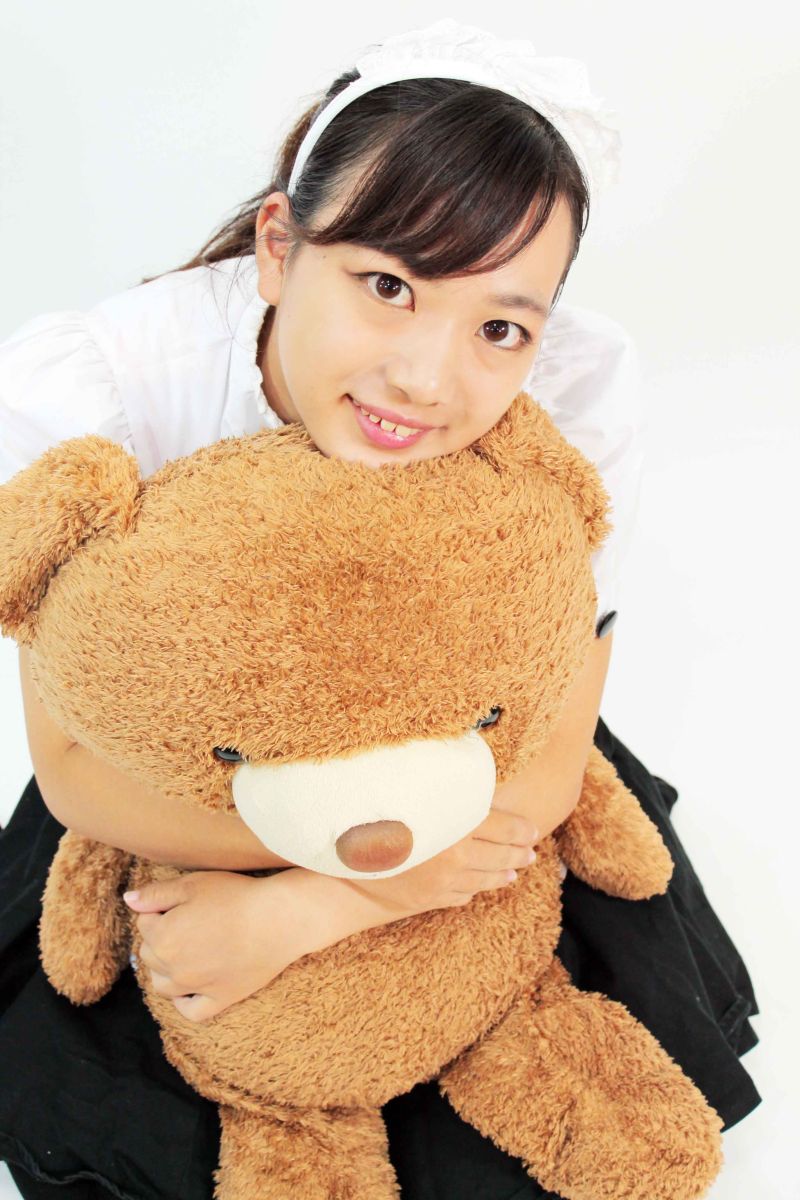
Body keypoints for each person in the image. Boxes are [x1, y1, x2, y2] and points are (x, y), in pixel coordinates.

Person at [0, 17, 760, 1200]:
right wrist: (359, 866)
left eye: (497, 325)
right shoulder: (115, 390)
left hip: (468, 780)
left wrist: (327, 904)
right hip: (193, 794)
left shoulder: (570, 395)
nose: (426, 379)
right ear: (277, 246)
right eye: (388, 286)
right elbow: (76, 772)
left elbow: (549, 746)